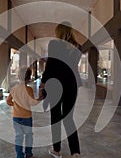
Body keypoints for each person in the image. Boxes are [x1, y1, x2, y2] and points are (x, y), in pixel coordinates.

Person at [39, 21, 82, 158]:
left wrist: (43, 82)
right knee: (68, 119)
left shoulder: (54, 44)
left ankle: (56, 150)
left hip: (55, 86)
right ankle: (75, 152)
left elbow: (51, 65)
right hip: (71, 85)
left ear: (59, 32)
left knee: (56, 118)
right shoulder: (78, 47)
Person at [6, 67, 41, 158]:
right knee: (29, 135)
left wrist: (14, 104)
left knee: (18, 136)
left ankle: (19, 155)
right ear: (29, 78)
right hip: (27, 117)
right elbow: (32, 103)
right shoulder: (29, 90)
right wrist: (40, 99)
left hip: (16, 117)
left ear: (18, 76)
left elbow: (8, 101)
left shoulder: (13, 89)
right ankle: (28, 153)